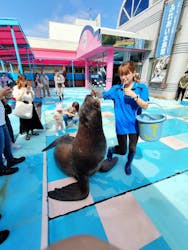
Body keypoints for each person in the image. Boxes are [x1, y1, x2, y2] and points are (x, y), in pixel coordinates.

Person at [91, 61, 149, 175]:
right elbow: (103, 95)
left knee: (132, 148)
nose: (124, 77)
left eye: (126, 74)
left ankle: (128, 164)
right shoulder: (116, 89)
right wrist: (96, 93)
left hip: (135, 124)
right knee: (122, 151)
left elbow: (145, 105)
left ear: (133, 73)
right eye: (122, 74)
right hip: (121, 125)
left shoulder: (141, 88)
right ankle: (111, 149)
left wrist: (134, 96)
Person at [0, 86, 25, 175]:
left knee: (7, 143)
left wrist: (6, 96)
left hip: (2, 121)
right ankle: (1, 169)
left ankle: (10, 160)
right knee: (0, 147)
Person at [12, 75, 43, 140]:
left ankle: (32, 131)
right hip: (22, 105)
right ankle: (27, 133)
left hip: (30, 104)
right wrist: (23, 92)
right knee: (24, 120)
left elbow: (32, 97)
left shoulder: (29, 87)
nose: (24, 82)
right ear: (19, 81)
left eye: (25, 80)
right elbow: (17, 98)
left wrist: (30, 92)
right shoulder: (16, 88)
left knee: (32, 118)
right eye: (22, 81)